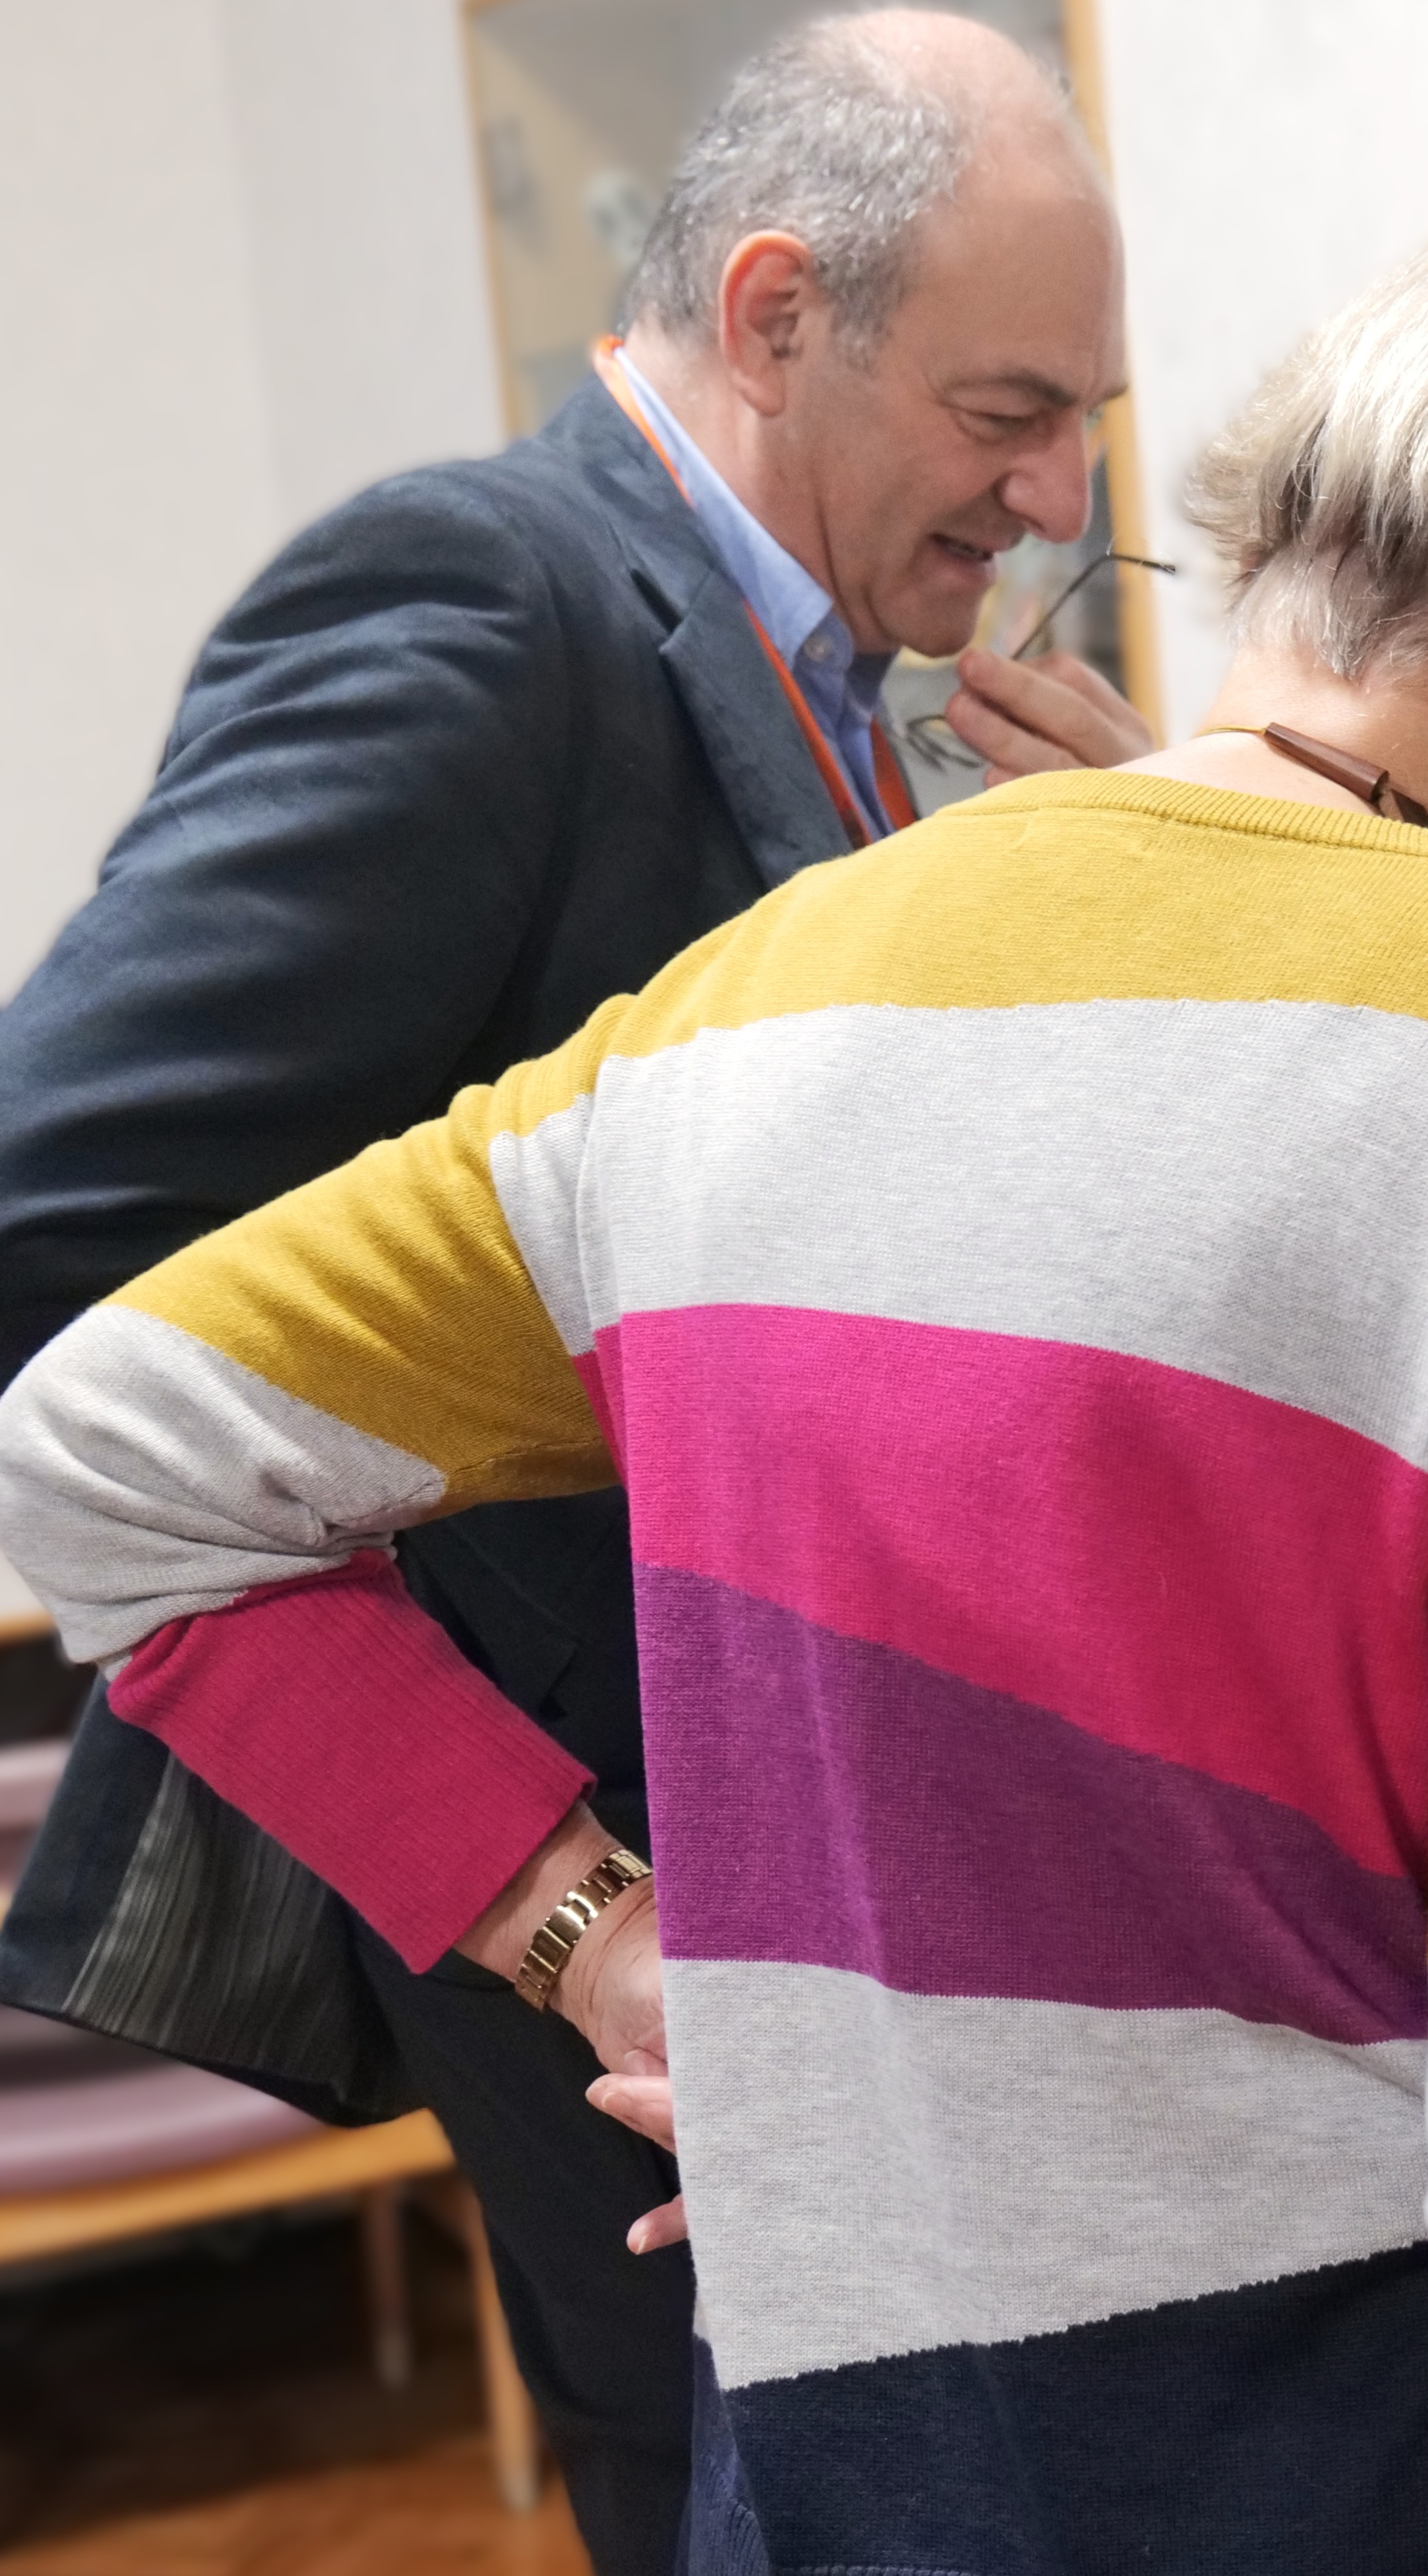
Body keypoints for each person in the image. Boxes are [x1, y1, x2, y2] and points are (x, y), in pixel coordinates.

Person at [0, 197, 1428, 2576]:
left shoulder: (747, 998)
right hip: (1351, 2432)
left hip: (832, 2443)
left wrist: (584, 1929)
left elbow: (101, 1452)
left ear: (1288, 546)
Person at [0, 14, 1142, 2564]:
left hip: (824, 1853)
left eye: (1085, 417)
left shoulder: (867, 696)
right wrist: (551, 1890)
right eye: (1004, 408)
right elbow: (45, 1216)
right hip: (607, 1882)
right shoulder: (479, 610)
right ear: (769, 317)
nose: (1057, 493)